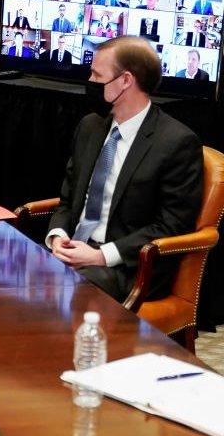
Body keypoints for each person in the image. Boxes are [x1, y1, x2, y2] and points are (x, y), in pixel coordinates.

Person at [47, 36, 203, 302]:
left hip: (129, 267)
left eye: (97, 75)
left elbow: (171, 225)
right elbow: (68, 199)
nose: (90, 81)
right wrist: (59, 236)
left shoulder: (176, 143)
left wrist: (101, 256)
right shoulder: (91, 126)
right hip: (77, 249)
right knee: (14, 274)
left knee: (58, 292)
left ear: (126, 81)